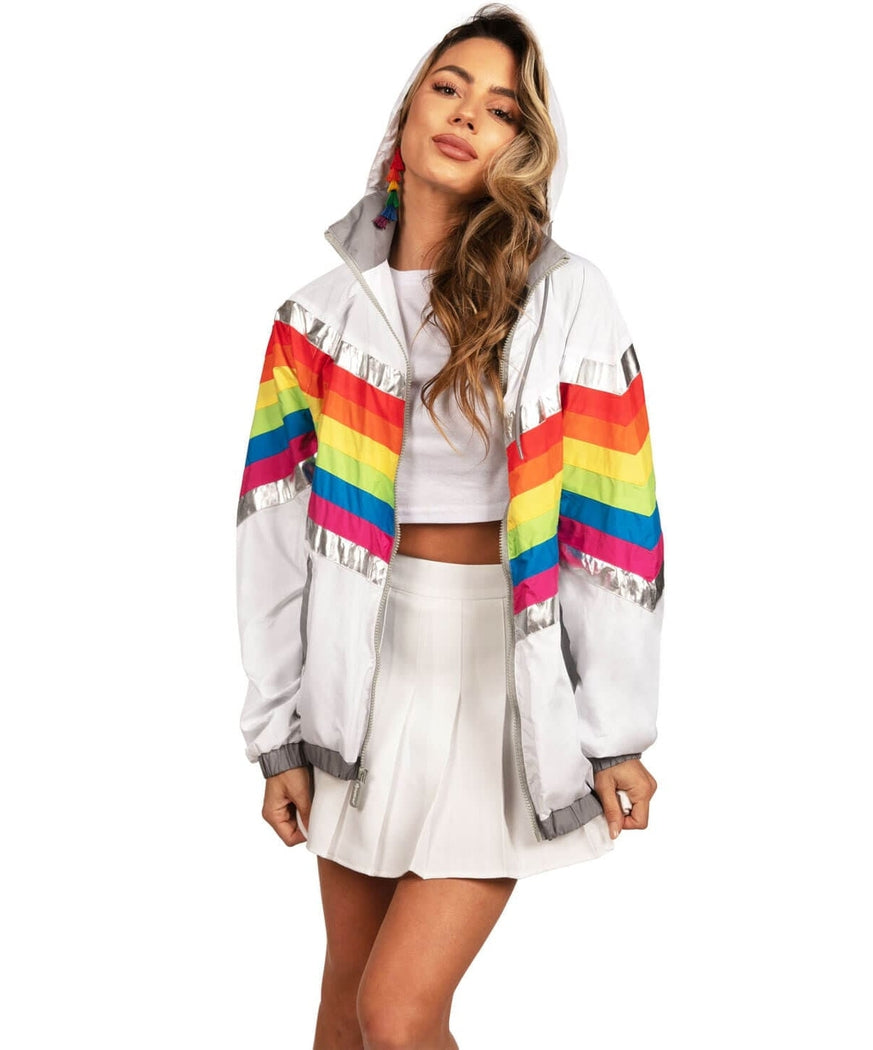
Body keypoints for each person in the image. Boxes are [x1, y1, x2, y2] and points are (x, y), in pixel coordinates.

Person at [235, 4, 664, 1047]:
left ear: (523, 146)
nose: (469, 115)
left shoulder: (564, 299)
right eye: (449, 88)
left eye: (503, 109)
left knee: (397, 1013)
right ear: (409, 111)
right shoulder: (315, 317)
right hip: (360, 671)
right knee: (345, 1003)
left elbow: (615, 523)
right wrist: (275, 731)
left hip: (501, 672)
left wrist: (615, 732)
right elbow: (271, 537)